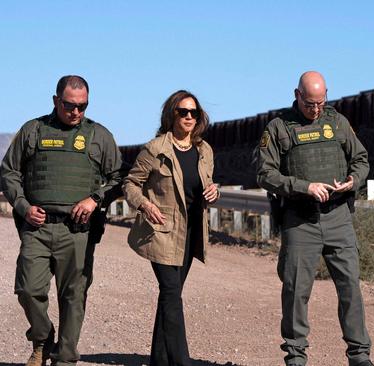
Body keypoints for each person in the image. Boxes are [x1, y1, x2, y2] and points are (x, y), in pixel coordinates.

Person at [0, 75, 123, 365]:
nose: (76, 112)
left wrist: (95, 199)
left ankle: (65, 358)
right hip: (37, 226)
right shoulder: (33, 130)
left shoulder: (99, 136)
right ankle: (42, 338)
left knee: (73, 295)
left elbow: (118, 177)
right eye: (70, 105)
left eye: (83, 106)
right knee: (28, 289)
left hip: (78, 231)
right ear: (56, 100)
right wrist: (22, 205)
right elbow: (9, 172)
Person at [256, 71, 374, 366]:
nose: (316, 109)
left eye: (321, 103)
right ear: (297, 95)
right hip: (300, 220)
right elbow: (264, 173)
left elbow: (361, 160)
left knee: (350, 287)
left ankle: (359, 355)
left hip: (338, 218)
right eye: (310, 104)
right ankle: (296, 356)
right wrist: (303, 186)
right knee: (296, 290)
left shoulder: (338, 122)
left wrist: (352, 181)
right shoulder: (279, 128)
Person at [122, 90, 220, 365]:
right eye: (183, 111)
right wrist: (144, 205)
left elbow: (207, 184)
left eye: (194, 112)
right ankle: (181, 360)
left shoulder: (204, 150)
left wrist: (215, 191)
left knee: (171, 296)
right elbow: (130, 183)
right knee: (170, 293)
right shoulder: (155, 149)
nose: (189, 117)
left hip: (190, 232)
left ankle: (160, 359)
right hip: (162, 231)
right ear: (171, 114)